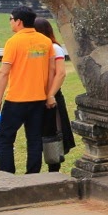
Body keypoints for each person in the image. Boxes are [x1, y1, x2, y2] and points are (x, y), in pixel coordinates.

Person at [0, 6, 52, 174]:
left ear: (19, 22)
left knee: (5, 138)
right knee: (34, 139)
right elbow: (51, 70)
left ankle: (7, 173)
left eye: (10, 19)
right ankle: (33, 174)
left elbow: (3, 72)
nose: (10, 22)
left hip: (16, 99)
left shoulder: (14, 42)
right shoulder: (45, 41)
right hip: (38, 98)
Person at [33, 19, 76, 172]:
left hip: (51, 95)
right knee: (38, 133)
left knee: (53, 132)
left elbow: (61, 73)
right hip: (37, 95)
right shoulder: (36, 49)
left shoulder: (54, 48)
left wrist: (50, 94)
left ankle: (54, 168)